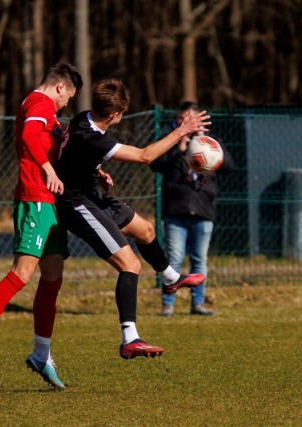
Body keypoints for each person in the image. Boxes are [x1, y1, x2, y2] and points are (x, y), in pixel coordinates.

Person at [55, 78, 211, 359]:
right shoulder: (92, 137)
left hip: (92, 192)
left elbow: (70, 155)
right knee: (131, 264)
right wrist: (182, 130)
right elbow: (145, 156)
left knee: (146, 230)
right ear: (115, 115)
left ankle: (170, 278)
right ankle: (130, 338)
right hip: (76, 204)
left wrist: (97, 171)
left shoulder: (83, 119)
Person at [0, 63, 83, 390]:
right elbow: (28, 136)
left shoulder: (45, 110)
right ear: (59, 87)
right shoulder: (40, 103)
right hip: (36, 198)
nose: (67, 104)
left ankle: (41, 353)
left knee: (53, 274)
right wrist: (47, 170)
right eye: (68, 96)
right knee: (23, 273)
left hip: (51, 201)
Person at [150, 101, 235, 317]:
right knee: (173, 258)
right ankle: (168, 305)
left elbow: (229, 167)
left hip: (203, 209)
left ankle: (197, 304)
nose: (183, 122)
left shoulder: (211, 142)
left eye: (188, 119)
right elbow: (154, 164)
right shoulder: (169, 141)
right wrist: (178, 149)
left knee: (199, 259)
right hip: (175, 209)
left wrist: (212, 149)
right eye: (180, 119)